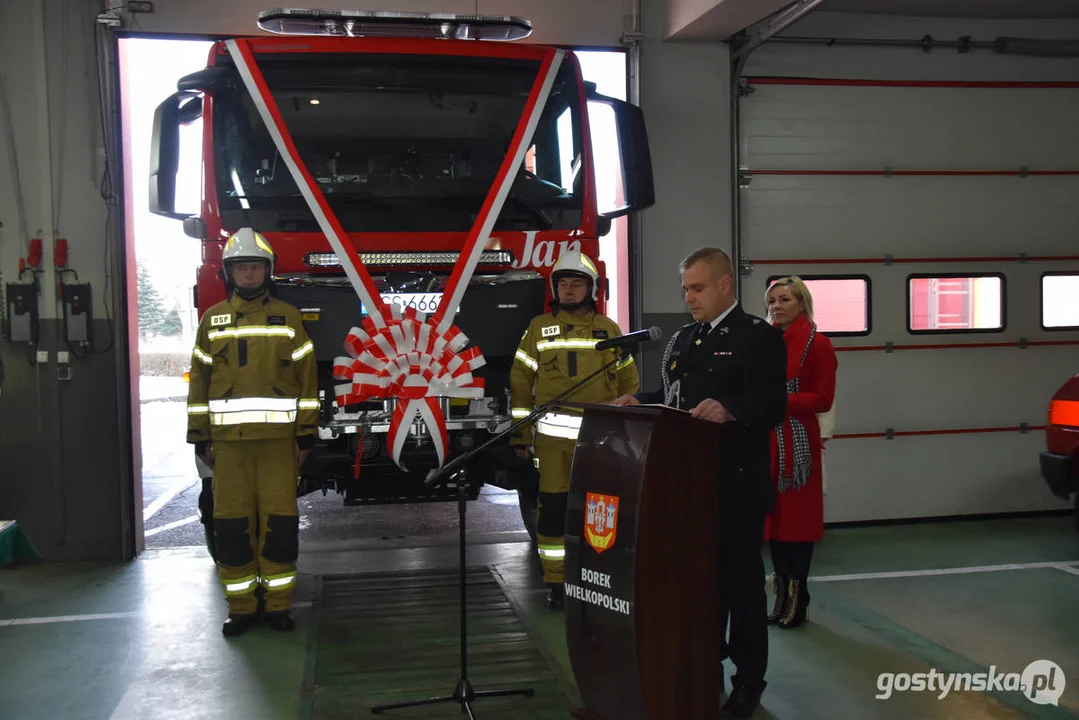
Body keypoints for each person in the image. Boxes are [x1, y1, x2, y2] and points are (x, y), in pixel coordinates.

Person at [611, 247, 787, 718]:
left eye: (698, 288)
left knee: (742, 589)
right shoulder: (687, 338)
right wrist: (639, 399)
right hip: (687, 487)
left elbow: (772, 403)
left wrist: (732, 409)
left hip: (735, 486)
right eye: (685, 289)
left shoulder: (757, 337)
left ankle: (748, 682)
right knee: (698, 587)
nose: (689, 297)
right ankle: (703, 666)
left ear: (726, 285)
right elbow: (675, 398)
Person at [186, 227, 319, 637]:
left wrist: (306, 435)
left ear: (268, 272)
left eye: (255, 268)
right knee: (231, 527)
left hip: (278, 445)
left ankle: (278, 606)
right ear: (229, 273)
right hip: (228, 448)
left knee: (279, 526)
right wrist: (199, 435)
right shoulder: (212, 320)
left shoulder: (288, 317)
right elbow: (200, 383)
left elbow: (307, 379)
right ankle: (241, 608)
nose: (248, 275)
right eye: (241, 268)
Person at [509, 250, 640, 610]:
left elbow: (629, 383)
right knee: (553, 510)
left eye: (576, 284)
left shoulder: (609, 330)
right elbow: (521, 380)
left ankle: (599, 579)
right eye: (563, 284)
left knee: (599, 512)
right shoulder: (537, 328)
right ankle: (557, 582)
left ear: (590, 289)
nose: (569, 290)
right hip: (553, 445)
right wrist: (521, 435)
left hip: (600, 439)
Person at [762, 277, 837, 629]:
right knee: (774, 523)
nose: (777, 306)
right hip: (766, 441)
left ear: (802, 304)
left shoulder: (818, 345)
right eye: (773, 300)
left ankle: (799, 594)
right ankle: (780, 595)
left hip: (797, 445)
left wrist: (779, 402)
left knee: (797, 524)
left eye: (785, 300)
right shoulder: (765, 343)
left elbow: (822, 398)